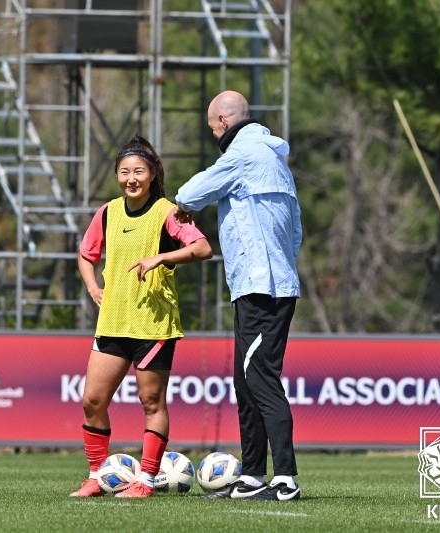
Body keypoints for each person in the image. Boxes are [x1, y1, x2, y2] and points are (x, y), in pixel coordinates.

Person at [174, 90, 302, 501]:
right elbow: (295, 231)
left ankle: (284, 480)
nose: (213, 133)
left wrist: (181, 207)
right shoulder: (276, 160)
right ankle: (251, 476)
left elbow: (191, 192)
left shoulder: (244, 154)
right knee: (246, 383)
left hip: (262, 287)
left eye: (212, 126)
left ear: (223, 122)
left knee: (260, 380)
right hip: (269, 283)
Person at [70, 135, 213, 498]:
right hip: (114, 321)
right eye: (124, 172)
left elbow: (202, 247)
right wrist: (92, 288)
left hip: (153, 324)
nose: (131, 178)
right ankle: (96, 476)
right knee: (92, 401)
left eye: (138, 171)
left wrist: (161, 258)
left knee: (151, 402)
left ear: (152, 175)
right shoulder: (107, 212)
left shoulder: (168, 212)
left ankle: (146, 480)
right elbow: (86, 254)